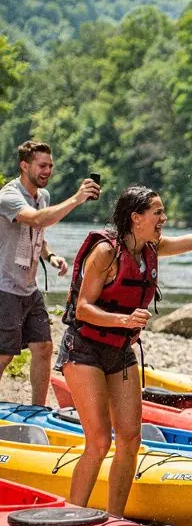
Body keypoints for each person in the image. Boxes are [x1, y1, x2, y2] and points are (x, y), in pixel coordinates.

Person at [59, 180, 192, 516]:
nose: (164, 217)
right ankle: (70, 514)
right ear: (136, 217)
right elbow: (84, 308)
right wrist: (125, 321)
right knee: (100, 441)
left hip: (121, 351)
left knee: (130, 440)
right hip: (84, 349)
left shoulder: (152, 249)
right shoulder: (106, 253)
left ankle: (114, 518)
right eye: (157, 212)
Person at [0, 139, 100, 405]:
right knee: (4, 354)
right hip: (5, 287)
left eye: (50, 166)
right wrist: (77, 199)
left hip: (29, 287)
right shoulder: (9, 196)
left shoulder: (42, 197)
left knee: (43, 348)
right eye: (42, 165)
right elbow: (36, 219)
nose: (48, 171)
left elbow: (38, 234)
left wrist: (51, 255)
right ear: (24, 166)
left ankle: (37, 409)